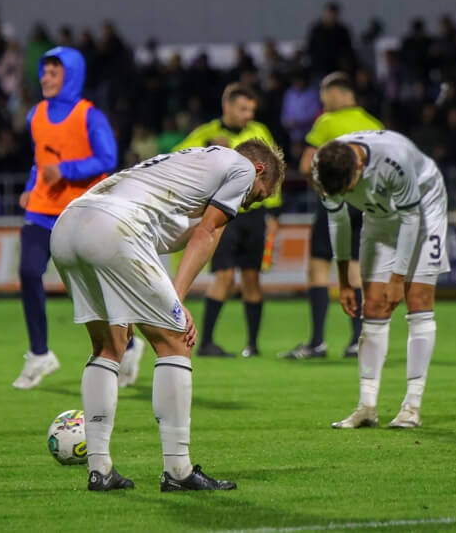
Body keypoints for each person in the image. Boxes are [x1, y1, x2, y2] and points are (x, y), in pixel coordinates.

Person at [50, 139, 285, 491]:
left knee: (109, 346)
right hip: (113, 226)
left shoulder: (184, 170)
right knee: (175, 341)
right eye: (261, 194)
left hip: (70, 224)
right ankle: (178, 471)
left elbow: (170, 235)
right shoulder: (242, 167)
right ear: (260, 170)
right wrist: (176, 301)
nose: (253, 202)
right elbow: (208, 231)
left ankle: (99, 470)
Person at [311, 130, 449, 429]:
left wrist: (398, 277)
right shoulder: (322, 167)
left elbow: (411, 219)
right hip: (379, 213)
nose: (346, 196)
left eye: (348, 189)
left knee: (418, 299)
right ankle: (367, 406)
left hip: (423, 208)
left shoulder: (393, 159)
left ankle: (411, 406)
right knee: (372, 305)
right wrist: (344, 281)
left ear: (359, 169)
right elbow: (338, 220)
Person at [13, 47, 127, 389]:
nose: (44, 78)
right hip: (41, 210)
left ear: (71, 75)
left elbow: (107, 158)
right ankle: (39, 354)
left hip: (81, 210)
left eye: (53, 72)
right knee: (28, 271)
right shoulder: (36, 113)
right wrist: (31, 185)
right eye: (43, 71)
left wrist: (65, 170)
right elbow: (39, 159)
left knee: (95, 286)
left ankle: (128, 345)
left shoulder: (90, 116)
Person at [172, 84, 282, 358]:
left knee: (252, 278)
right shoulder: (208, 133)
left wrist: (275, 213)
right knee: (224, 276)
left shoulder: (260, 132)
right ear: (228, 106)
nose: (248, 115)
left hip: (255, 215)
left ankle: (252, 346)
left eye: (251, 110)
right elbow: (179, 155)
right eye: (243, 109)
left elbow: (273, 175)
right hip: (224, 214)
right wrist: (208, 148)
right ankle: (207, 341)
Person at [281, 72, 383, 359]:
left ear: (338, 93)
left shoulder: (327, 122)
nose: (323, 105)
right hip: (363, 204)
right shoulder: (374, 125)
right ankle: (356, 341)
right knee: (354, 267)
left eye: (325, 98)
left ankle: (317, 342)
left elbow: (305, 164)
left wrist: (321, 183)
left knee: (318, 266)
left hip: (333, 201)